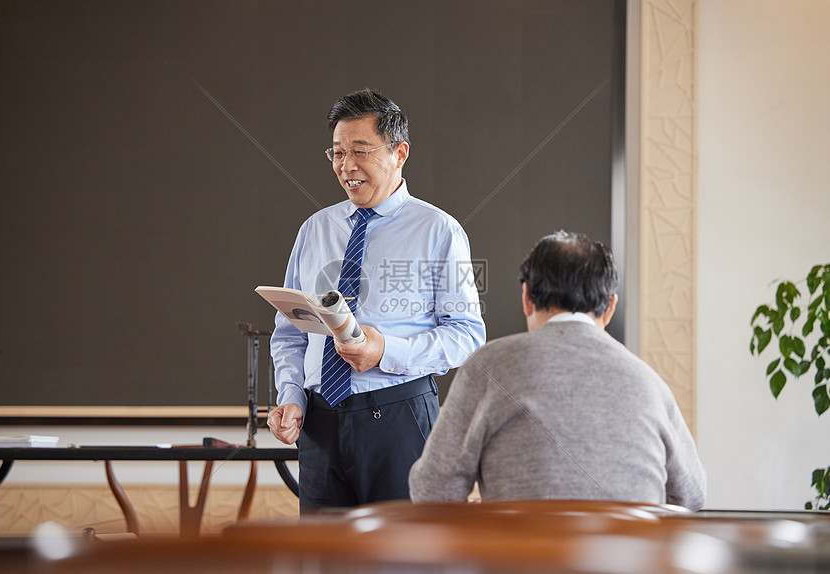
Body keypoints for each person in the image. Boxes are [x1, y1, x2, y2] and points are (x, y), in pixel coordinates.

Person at [267, 88, 486, 512]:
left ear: (399, 153)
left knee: (403, 557)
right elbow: (290, 333)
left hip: (399, 418)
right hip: (319, 422)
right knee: (323, 559)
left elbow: (468, 334)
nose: (346, 166)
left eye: (361, 151)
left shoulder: (439, 231)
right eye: (336, 153)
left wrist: (385, 349)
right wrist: (291, 393)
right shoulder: (314, 229)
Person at [408, 230, 706, 510]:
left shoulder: (488, 367)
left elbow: (433, 489)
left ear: (527, 298)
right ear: (610, 306)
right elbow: (691, 495)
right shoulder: (649, 382)